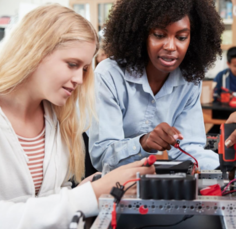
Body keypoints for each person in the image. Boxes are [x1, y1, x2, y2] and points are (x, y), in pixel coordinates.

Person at [0, 4, 155, 229]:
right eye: (72, 64)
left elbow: (46, 202)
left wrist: (83, 191)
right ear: (34, 51)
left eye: (85, 68)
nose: (79, 79)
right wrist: (90, 195)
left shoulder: (55, 115)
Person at [89, 0, 224, 171]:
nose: (170, 46)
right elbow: (103, 157)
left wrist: (226, 166)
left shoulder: (189, 81)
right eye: (159, 35)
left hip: (147, 177)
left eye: (181, 37)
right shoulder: (109, 75)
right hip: (105, 180)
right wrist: (143, 143)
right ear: (141, 35)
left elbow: (189, 150)